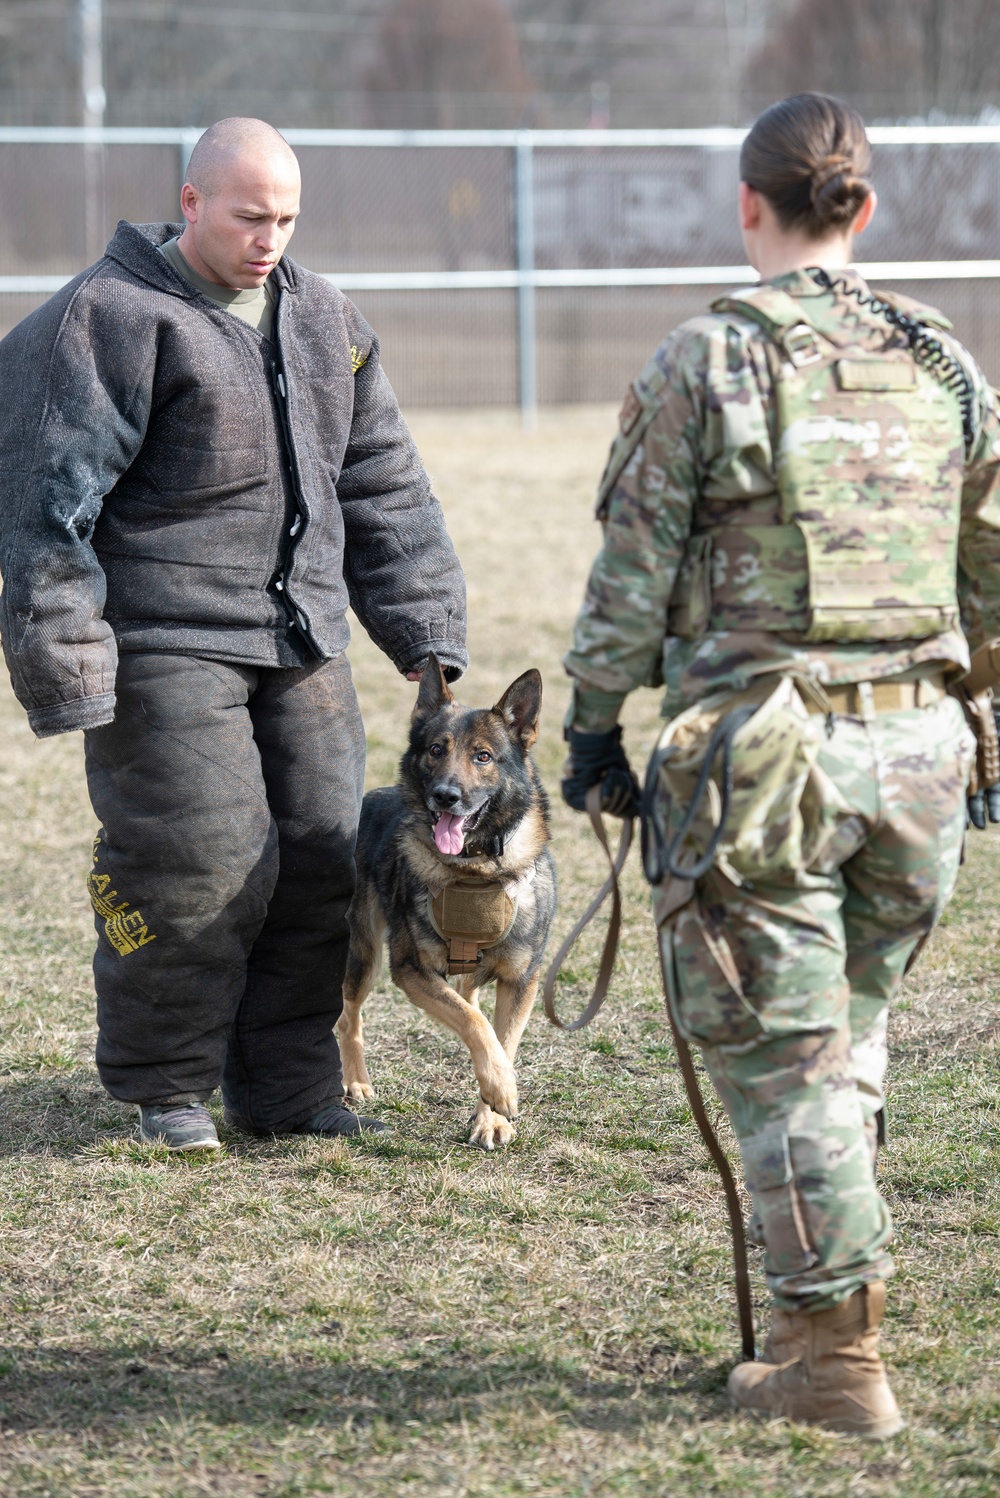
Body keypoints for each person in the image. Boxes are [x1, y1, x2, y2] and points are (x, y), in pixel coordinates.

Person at [560, 92, 1000, 1436]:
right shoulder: (942, 361)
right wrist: (978, 718)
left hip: (767, 762)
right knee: (845, 1039)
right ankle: (825, 1310)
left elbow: (633, 572)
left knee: (795, 1063)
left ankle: (833, 1363)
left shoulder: (707, 359)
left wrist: (591, 728)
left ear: (748, 206)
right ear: (862, 208)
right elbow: (993, 564)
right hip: (919, 756)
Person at [0, 118, 467, 1152]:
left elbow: (383, 480)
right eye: (250, 215)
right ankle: (167, 1085)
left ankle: (288, 1089)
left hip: (302, 636)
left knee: (317, 856)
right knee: (195, 858)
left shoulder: (323, 317)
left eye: (287, 218)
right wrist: (66, 660)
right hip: (164, 638)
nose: (270, 238)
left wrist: (426, 631)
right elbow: (46, 502)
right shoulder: (109, 318)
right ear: (193, 199)